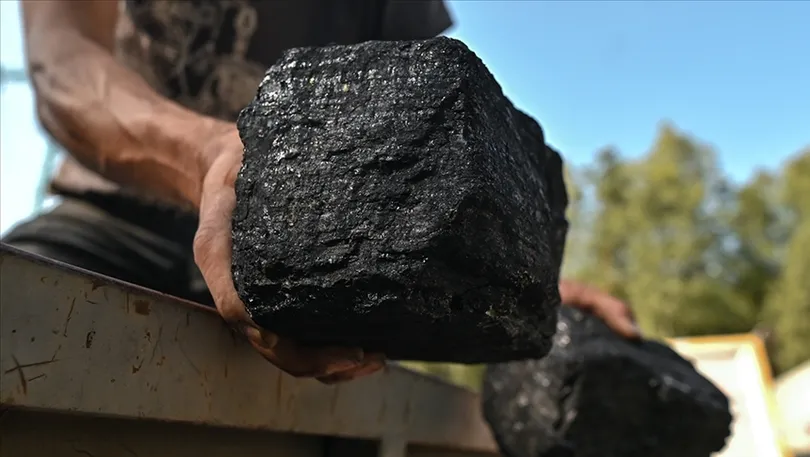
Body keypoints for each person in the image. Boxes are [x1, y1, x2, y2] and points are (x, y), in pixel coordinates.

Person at [5, 0, 640, 385]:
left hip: (301, 255)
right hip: (111, 218)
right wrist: (207, 156)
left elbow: (439, 143)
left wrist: (518, 270)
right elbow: (62, 67)